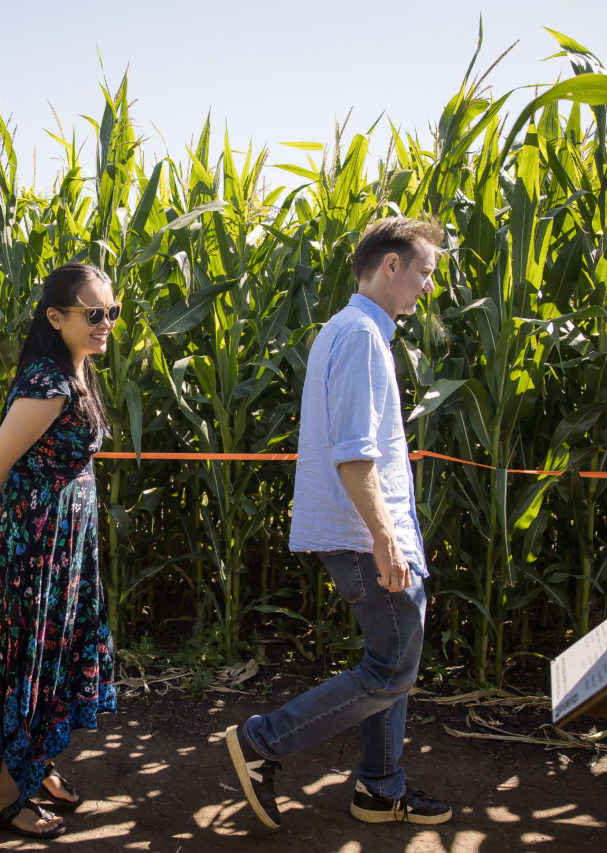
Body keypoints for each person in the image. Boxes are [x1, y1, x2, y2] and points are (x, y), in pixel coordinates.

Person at [225, 216, 453, 829]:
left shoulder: (350, 330)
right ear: (391, 266)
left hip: (365, 532)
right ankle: (262, 742)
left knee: (388, 661)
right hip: (364, 536)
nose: (428, 286)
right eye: (425, 271)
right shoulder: (358, 337)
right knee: (392, 667)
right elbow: (354, 454)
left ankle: (380, 788)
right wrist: (385, 541)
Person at [0, 262, 119, 840]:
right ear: (56, 317)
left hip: (65, 541)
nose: (105, 324)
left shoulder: (75, 370)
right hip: (38, 546)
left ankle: (34, 763)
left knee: (53, 654)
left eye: (112, 312)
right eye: (93, 314)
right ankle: (1, 797)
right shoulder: (48, 384)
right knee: (30, 659)